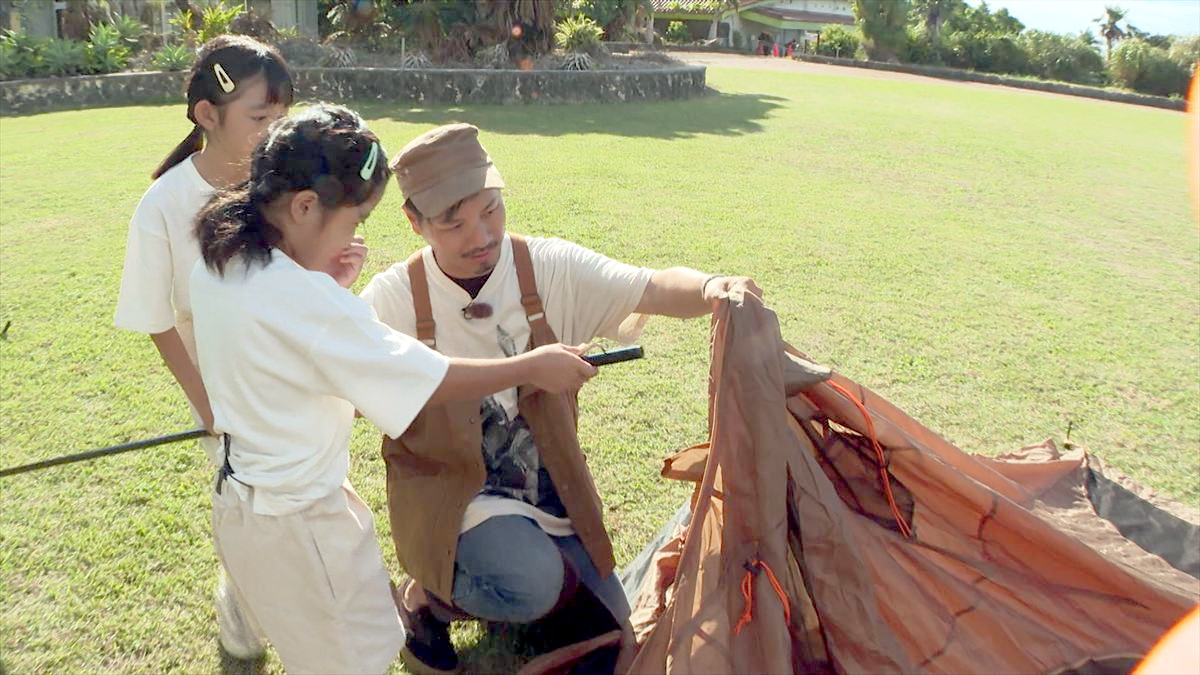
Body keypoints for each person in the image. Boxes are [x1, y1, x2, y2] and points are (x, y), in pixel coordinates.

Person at [189, 104, 597, 674]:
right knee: (355, 659)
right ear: (304, 206)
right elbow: (427, 376)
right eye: (354, 221)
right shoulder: (309, 306)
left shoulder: (223, 254)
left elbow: (286, 335)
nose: (355, 237)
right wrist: (528, 366)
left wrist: (322, 280)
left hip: (247, 502)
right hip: (300, 523)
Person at [360, 123, 760, 674]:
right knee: (534, 584)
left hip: (553, 494)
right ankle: (428, 598)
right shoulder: (394, 297)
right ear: (415, 222)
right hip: (454, 497)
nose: (480, 235)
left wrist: (714, 287)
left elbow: (650, 286)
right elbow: (346, 377)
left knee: (615, 631)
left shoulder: (544, 267)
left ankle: (534, 578)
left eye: (491, 210)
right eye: (454, 221)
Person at [112, 34, 294, 663]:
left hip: (292, 376)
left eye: (279, 116)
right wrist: (207, 408)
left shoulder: (280, 181)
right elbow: (158, 319)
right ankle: (240, 629)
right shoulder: (163, 205)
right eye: (258, 116)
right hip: (220, 392)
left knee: (302, 501)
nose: (272, 131)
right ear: (206, 115)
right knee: (244, 516)